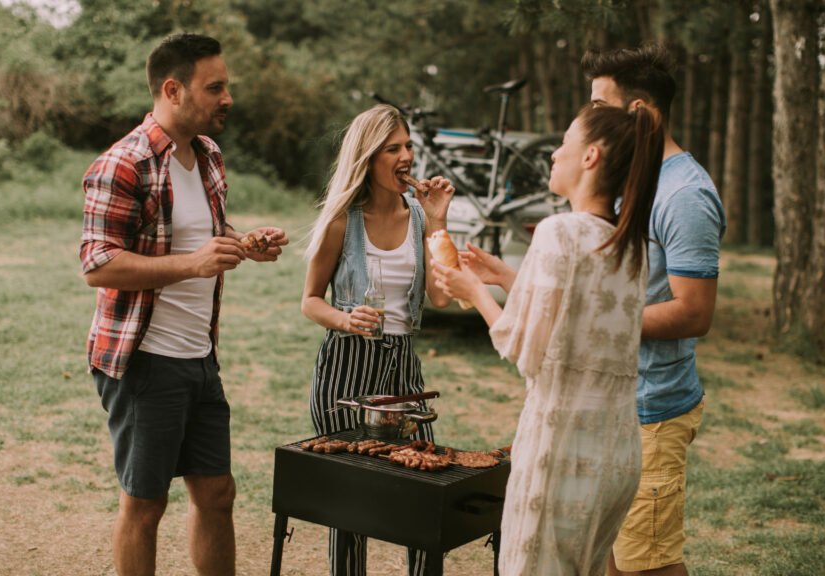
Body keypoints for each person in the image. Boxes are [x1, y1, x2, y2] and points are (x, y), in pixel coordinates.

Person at [79, 33, 288, 576]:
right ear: (173, 89)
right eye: (214, 87)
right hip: (145, 360)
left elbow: (201, 235)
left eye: (227, 86)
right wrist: (192, 264)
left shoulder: (209, 156)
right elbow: (98, 265)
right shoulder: (122, 164)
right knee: (145, 505)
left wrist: (244, 244)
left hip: (200, 356)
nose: (228, 98)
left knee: (217, 493)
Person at [433, 102, 666, 575]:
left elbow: (524, 348)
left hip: (561, 453)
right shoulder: (633, 246)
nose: (553, 154)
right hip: (617, 454)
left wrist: (473, 290)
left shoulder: (560, 230)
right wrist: (504, 276)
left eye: (564, 142)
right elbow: (576, 323)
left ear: (590, 157)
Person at [583, 45, 725, 576]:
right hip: (612, 404)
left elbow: (693, 313)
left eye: (601, 105)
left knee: (650, 566)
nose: (591, 117)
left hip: (653, 412)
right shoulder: (628, 178)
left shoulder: (685, 194)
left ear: (641, 112)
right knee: (614, 560)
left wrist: (599, 323)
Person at [300, 103, 455, 576]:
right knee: (350, 509)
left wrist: (439, 221)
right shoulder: (341, 222)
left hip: (403, 371)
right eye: (393, 148)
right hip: (345, 371)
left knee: (421, 495)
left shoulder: (420, 217)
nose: (406, 155)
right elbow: (310, 300)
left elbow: (443, 298)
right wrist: (346, 320)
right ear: (368, 158)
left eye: (408, 145)